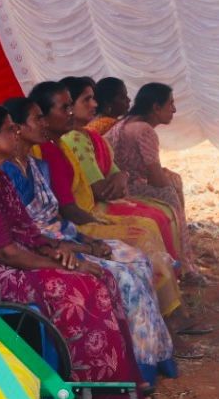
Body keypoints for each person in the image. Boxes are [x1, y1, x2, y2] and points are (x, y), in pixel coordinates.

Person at [0, 106, 148, 399]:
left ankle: (118, 383)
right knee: (83, 287)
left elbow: (26, 233)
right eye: (10, 129)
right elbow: (5, 252)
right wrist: (66, 265)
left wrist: (57, 250)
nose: (16, 134)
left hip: (13, 261)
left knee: (103, 276)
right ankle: (90, 393)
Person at [0, 97, 176, 371]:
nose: (44, 123)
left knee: (138, 261)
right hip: (47, 245)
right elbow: (27, 232)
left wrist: (86, 241)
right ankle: (129, 365)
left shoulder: (34, 164)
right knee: (122, 275)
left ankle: (151, 357)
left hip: (64, 236)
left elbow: (55, 215)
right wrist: (82, 248)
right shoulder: (7, 173)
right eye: (37, 118)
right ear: (18, 128)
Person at [26, 83, 181, 305]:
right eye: (65, 108)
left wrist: (121, 177)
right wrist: (92, 233)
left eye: (71, 105)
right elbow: (71, 206)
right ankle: (164, 309)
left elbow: (110, 177)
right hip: (73, 225)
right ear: (43, 117)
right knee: (142, 236)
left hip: (78, 218)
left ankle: (164, 305)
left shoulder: (63, 143)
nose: (71, 112)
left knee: (148, 226)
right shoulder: (50, 150)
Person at [60, 77, 186, 270]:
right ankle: (183, 265)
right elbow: (103, 190)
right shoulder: (76, 137)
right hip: (90, 207)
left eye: (93, 98)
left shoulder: (92, 134)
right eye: (87, 100)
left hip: (113, 194)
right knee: (161, 207)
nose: (94, 104)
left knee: (159, 209)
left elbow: (117, 173)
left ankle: (176, 267)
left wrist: (122, 177)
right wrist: (121, 179)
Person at [104, 82, 199, 278]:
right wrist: (171, 189)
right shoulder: (145, 130)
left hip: (118, 183)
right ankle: (185, 264)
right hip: (129, 187)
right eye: (170, 104)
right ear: (156, 107)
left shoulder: (123, 123)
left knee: (173, 179)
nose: (174, 109)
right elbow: (156, 179)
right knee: (170, 191)